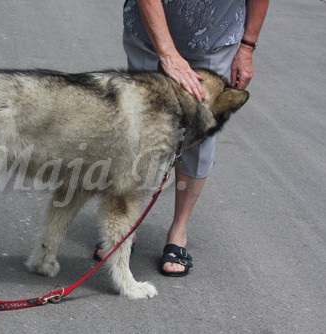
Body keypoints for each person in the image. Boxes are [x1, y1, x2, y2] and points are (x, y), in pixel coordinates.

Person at [95, 0, 269, 277]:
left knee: (199, 134)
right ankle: (125, 222)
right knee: (137, 128)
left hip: (216, 34)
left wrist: (247, 46)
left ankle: (178, 232)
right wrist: (167, 53)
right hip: (149, 32)